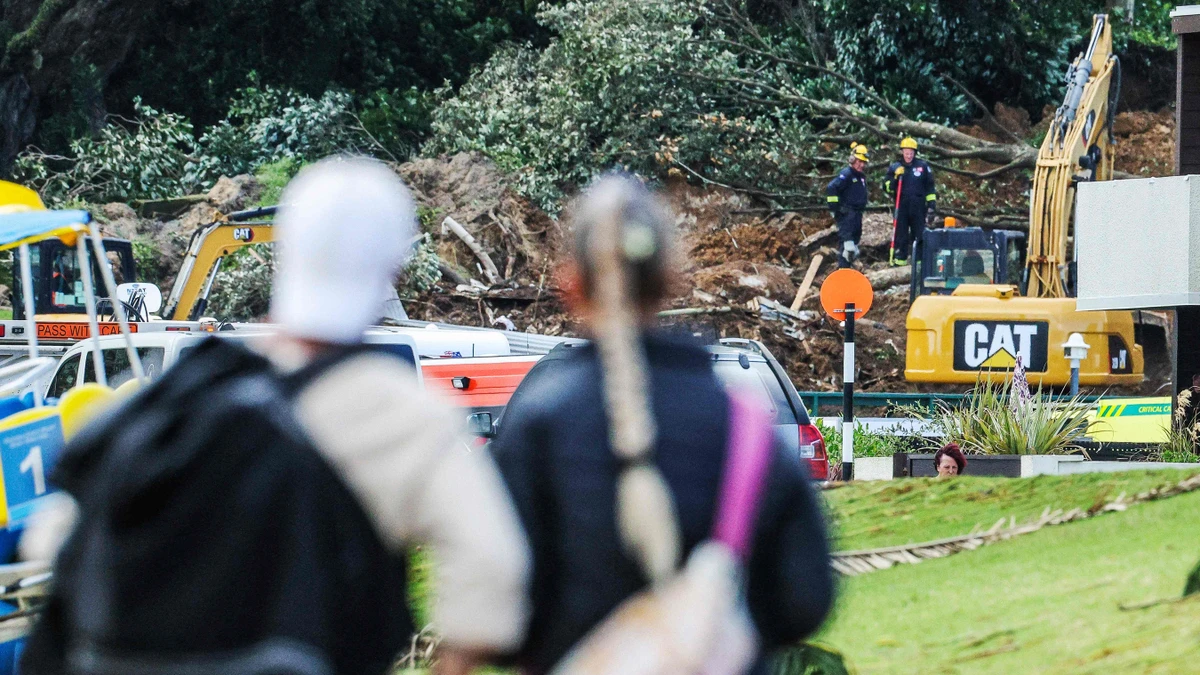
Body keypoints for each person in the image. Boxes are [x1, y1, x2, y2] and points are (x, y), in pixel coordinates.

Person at [21, 158, 530, 675]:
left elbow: (49, 539)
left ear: (284, 256)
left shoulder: (190, 384)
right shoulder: (400, 413)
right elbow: (493, 570)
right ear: (393, 270)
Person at [491, 175, 834, 675]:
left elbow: (496, 606)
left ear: (571, 284)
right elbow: (806, 600)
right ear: (671, 277)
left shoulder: (537, 424)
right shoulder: (745, 424)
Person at [884, 137, 937, 266]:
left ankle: (918, 261)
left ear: (915, 153)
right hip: (901, 205)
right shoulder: (895, 167)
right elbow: (887, 188)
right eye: (906, 152)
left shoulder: (922, 167)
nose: (909, 155)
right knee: (901, 233)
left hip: (918, 206)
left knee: (918, 233)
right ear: (902, 152)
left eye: (911, 153)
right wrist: (895, 178)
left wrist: (931, 206)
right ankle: (900, 260)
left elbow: (930, 187)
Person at [826, 143, 870, 268]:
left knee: (854, 248)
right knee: (847, 248)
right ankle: (843, 273)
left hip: (857, 214)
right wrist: (836, 209)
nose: (861, 165)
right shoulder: (847, 174)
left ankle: (848, 272)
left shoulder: (860, 176)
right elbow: (831, 188)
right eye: (859, 161)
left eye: (863, 162)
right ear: (853, 160)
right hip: (847, 215)